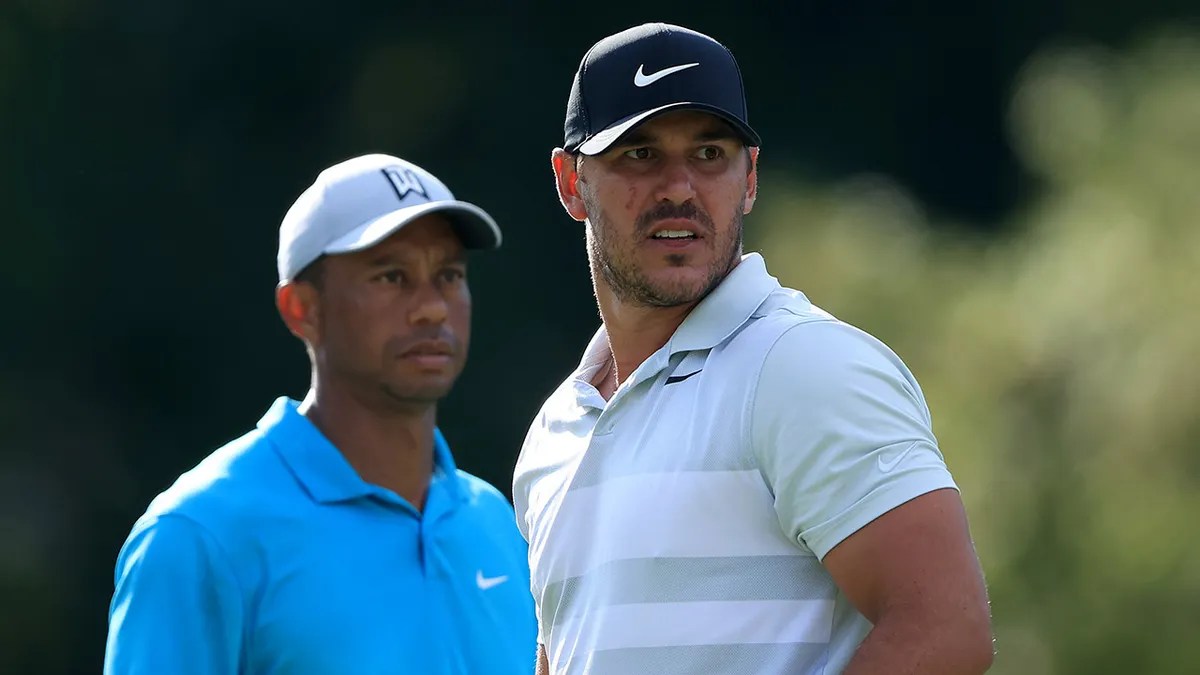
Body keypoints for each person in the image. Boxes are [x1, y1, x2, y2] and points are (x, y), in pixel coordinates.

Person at [513, 23, 994, 675]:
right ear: (571, 182)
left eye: (709, 154)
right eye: (640, 154)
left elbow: (945, 628)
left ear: (748, 178)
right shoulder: (554, 432)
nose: (679, 187)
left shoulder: (804, 366)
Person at [104, 154, 537, 674]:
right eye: (392, 276)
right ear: (301, 309)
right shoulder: (198, 536)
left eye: (448, 274)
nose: (433, 307)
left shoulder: (498, 525)